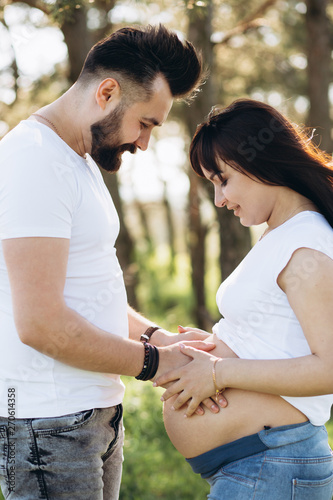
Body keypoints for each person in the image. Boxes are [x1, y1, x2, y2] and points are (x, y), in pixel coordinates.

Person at [0, 24, 217, 500]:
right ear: (107, 92)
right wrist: (156, 363)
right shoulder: (32, 160)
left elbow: (89, 297)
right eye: (146, 123)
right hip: (46, 423)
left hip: (90, 418)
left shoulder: (75, 160)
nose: (143, 144)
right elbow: (40, 323)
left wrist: (156, 338)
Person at [155, 98, 333, 499]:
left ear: (260, 162)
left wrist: (219, 371)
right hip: (260, 466)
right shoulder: (283, 233)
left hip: (273, 466)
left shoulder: (307, 247)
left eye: (223, 180)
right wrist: (220, 343)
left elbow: (330, 368)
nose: (219, 199)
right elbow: (281, 336)